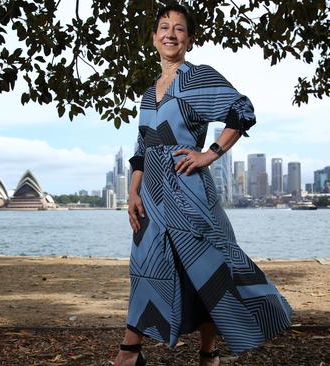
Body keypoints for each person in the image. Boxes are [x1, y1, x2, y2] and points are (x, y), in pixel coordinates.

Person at [114, 4, 292, 366]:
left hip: (188, 192)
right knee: (144, 267)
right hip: (150, 196)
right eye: (164, 27)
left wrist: (210, 153)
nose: (170, 34)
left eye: (179, 29)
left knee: (209, 268)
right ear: (153, 37)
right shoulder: (150, 95)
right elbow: (141, 148)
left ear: (190, 39)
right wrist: (133, 191)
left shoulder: (197, 78)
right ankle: (131, 353)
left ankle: (207, 354)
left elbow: (241, 111)